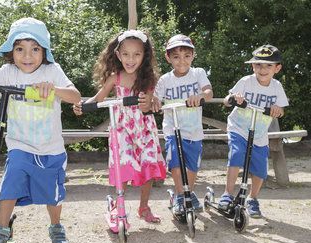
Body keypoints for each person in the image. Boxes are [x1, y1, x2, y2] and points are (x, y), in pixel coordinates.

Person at [0, 17, 81, 243]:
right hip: (19, 145)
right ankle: (1, 229)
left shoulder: (52, 70)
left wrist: (53, 89)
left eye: (35, 49)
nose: (27, 56)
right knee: (11, 182)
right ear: (11, 52)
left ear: (44, 51)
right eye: (20, 49)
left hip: (50, 147)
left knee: (52, 195)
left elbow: (75, 96)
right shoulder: (8, 72)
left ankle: (56, 225)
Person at [74, 30, 166, 223]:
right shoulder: (114, 78)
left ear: (144, 56)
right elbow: (98, 99)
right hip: (122, 129)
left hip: (145, 129)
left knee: (148, 164)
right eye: (126, 54)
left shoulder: (149, 79)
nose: (130, 59)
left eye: (136, 54)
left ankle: (144, 207)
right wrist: (83, 106)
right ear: (118, 55)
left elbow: (153, 99)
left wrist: (153, 102)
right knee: (122, 164)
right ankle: (119, 205)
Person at [218, 44, 288, 218]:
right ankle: (227, 193)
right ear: (253, 66)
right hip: (239, 128)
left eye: (268, 65)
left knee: (260, 168)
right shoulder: (246, 81)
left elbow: (281, 109)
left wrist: (277, 109)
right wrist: (234, 98)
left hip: (259, 133)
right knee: (237, 154)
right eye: (258, 65)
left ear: (277, 68)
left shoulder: (277, 87)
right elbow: (227, 100)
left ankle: (252, 199)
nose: (263, 69)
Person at [153, 34, 213, 215]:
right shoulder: (165, 79)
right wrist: (155, 102)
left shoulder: (198, 73)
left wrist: (200, 96)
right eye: (176, 57)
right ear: (168, 58)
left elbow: (208, 92)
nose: (182, 61)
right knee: (176, 163)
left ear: (193, 56)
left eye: (187, 56)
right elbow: (156, 97)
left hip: (193, 130)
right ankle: (180, 195)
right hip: (173, 128)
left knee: (192, 165)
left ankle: (189, 192)